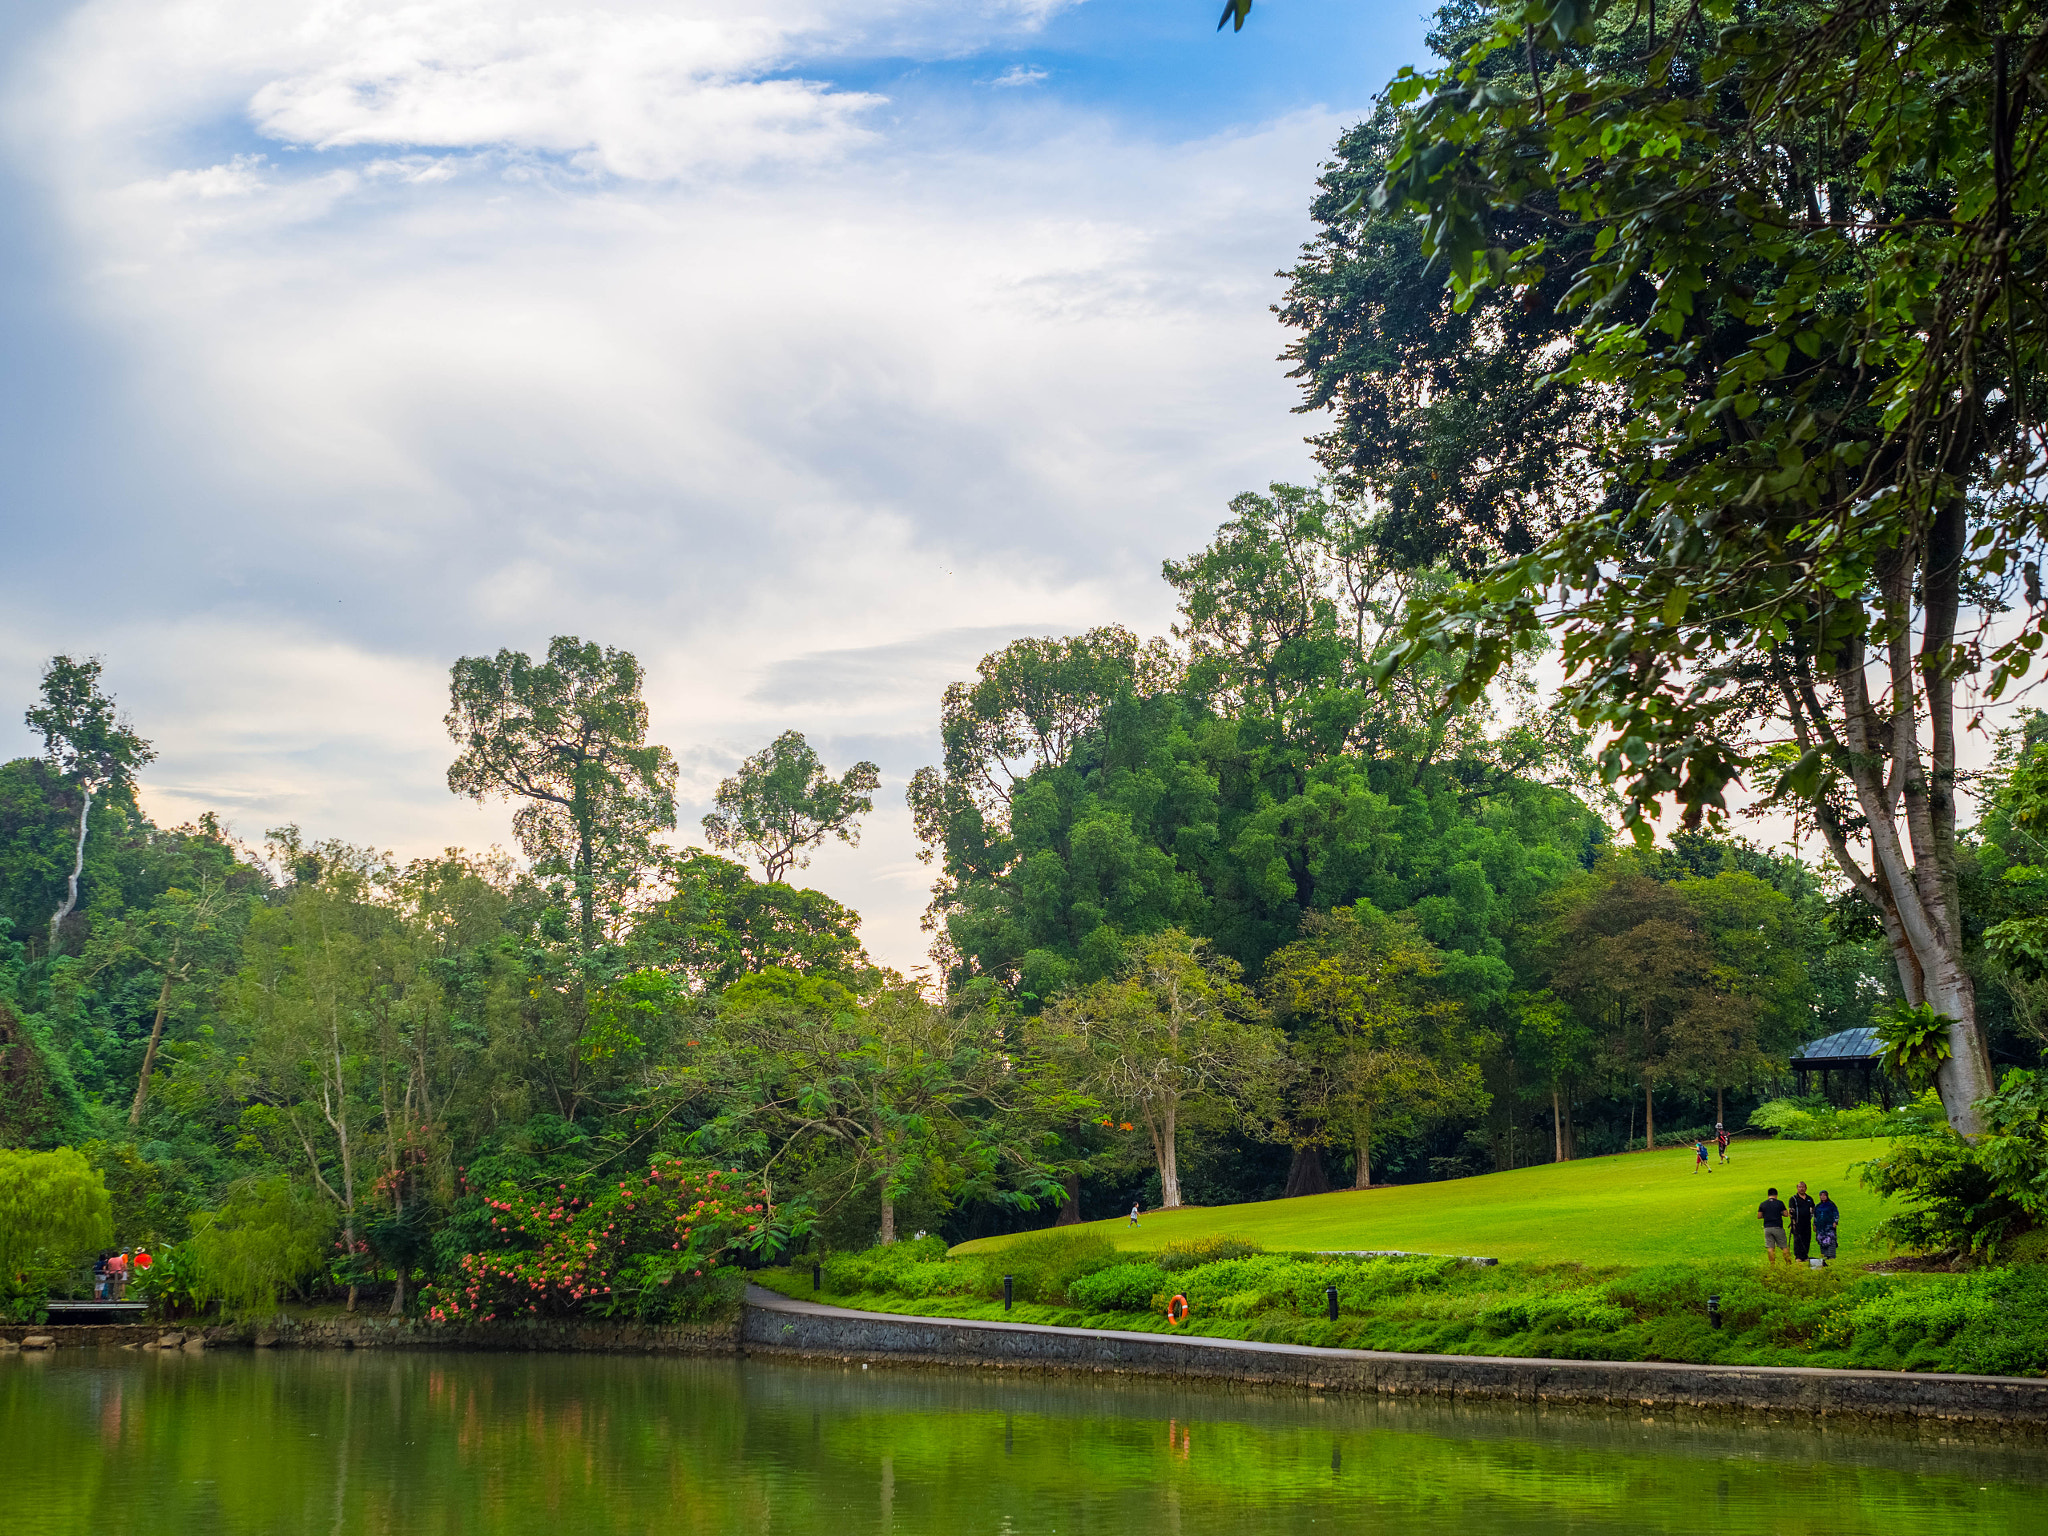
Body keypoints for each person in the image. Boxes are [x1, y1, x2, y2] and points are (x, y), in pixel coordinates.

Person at [1758, 1187, 1789, 1264]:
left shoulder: (1763, 1204)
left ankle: (1772, 1265)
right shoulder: (1779, 1203)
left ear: (1768, 1195)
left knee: (1770, 1248)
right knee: (1784, 1247)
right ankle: (1788, 1264)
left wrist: (1766, 1215)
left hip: (1767, 1228)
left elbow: (1759, 1216)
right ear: (1776, 1195)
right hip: (1777, 1227)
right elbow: (1786, 1214)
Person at [1789, 1181, 1817, 1262]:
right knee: (1798, 1240)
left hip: (1807, 1223)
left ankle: (1805, 1256)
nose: (1801, 1189)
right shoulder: (1793, 1199)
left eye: (1803, 1187)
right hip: (1797, 1223)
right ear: (1797, 1188)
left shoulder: (1809, 1199)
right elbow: (1791, 1211)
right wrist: (1793, 1223)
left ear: (1806, 1188)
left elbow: (1813, 1209)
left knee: (1807, 1239)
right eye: (1800, 1187)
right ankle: (1798, 1257)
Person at [1814, 1190, 1840, 1264]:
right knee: (1822, 1241)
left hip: (1829, 1227)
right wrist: (1814, 1224)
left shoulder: (1831, 1205)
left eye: (1824, 1195)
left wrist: (1835, 1221)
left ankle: (1831, 1256)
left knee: (1831, 1241)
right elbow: (1815, 1216)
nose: (1823, 1197)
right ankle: (1824, 1257)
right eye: (1821, 1195)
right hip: (1820, 1228)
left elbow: (1836, 1213)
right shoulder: (1818, 1206)